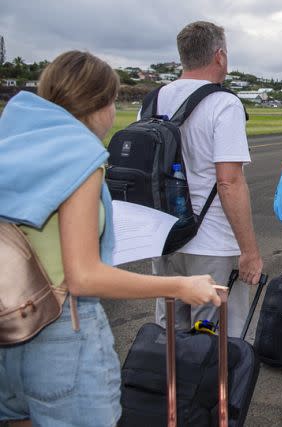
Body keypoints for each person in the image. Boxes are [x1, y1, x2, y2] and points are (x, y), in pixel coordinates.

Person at [0, 51, 220, 426]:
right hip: (63, 332)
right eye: (113, 101)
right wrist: (180, 285)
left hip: (11, 329)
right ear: (99, 103)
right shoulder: (80, 154)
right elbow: (84, 276)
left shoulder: (14, 147)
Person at [149, 21, 264, 339]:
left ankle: (174, 390)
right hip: (211, 241)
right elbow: (229, 182)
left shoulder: (153, 101)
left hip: (164, 239)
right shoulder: (224, 103)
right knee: (217, 344)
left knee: (170, 339)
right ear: (220, 56)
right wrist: (249, 251)